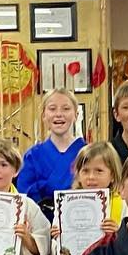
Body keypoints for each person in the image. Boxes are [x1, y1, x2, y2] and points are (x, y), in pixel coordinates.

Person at [17, 88, 84, 216]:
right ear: (43, 116)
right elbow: (25, 196)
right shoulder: (32, 156)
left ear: (76, 115)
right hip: (41, 223)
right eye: (52, 109)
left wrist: (44, 187)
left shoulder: (87, 153)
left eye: (66, 109)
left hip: (78, 220)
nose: (59, 114)